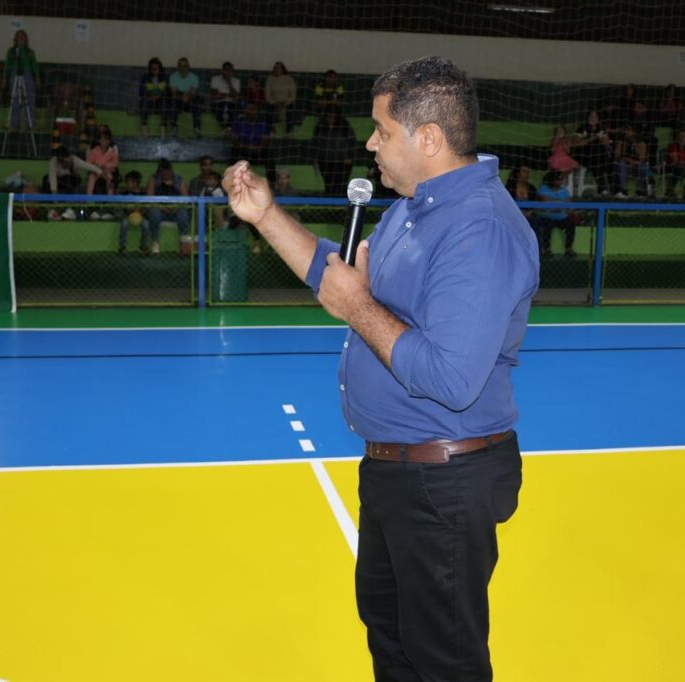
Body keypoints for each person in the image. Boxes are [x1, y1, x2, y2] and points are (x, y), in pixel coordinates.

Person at [222, 56, 539, 682]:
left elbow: (449, 378)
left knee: (443, 660)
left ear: (429, 139)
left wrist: (357, 305)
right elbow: (337, 277)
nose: (371, 143)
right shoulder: (414, 210)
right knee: (392, 643)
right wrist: (266, 217)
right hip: (399, 471)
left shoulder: (478, 229)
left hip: (444, 482)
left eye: (382, 131)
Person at [146, 158, 191, 255]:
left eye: (168, 172)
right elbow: (150, 199)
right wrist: (163, 207)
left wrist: (177, 207)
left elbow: (186, 199)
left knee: (183, 214)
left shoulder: (179, 180)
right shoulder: (154, 179)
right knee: (154, 213)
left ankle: (183, 244)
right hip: (160, 209)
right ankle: (155, 242)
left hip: (176, 209)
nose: (167, 174)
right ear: (160, 172)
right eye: (164, 172)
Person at [311, 105, 357, 196]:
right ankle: (329, 207)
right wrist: (314, 159)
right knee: (328, 186)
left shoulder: (345, 126)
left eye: (333, 117)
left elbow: (352, 142)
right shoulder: (319, 127)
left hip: (343, 162)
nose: (331, 119)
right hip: (325, 161)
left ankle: (342, 208)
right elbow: (315, 143)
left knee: (341, 187)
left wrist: (350, 156)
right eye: (329, 116)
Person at [2, 30, 40, 132]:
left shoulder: (30, 52)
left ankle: (30, 123)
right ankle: (14, 124)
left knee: (30, 99)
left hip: (27, 75)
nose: (21, 39)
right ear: (15, 39)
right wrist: (4, 79)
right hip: (14, 75)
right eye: (19, 37)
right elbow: (7, 66)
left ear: (26, 39)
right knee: (15, 99)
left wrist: (37, 78)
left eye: (23, 37)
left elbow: (34, 66)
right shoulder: (11, 51)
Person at [231, 102, 276, 184]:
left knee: (269, 155)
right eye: (248, 109)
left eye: (253, 110)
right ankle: (232, 182)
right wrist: (246, 147)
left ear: (257, 111)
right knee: (234, 154)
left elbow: (266, 140)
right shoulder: (239, 122)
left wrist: (257, 148)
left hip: (259, 151)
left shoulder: (263, 123)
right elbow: (234, 140)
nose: (250, 112)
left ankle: (272, 183)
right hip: (243, 151)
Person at [535, 170, 575, 257]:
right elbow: (544, 200)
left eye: (562, 179)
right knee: (548, 225)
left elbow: (569, 204)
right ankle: (546, 249)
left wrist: (558, 204)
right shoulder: (543, 188)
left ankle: (568, 248)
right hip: (546, 216)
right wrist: (561, 203)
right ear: (553, 180)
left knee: (571, 224)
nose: (561, 181)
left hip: (561, 217)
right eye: (559, 179)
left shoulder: (564, 191)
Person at [118, 170, 153, 254]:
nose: (127, 184)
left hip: (140, 216)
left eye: (129, 182)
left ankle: (143, 246)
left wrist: (141, 210)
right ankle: (122, 246)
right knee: (124, 224)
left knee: (146, 225)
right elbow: (125, 206)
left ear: (136, 182)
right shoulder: (125, 193)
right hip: (128, 215)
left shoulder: (143, 194)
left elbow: (146, 206)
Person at [613, 125, 653, 198]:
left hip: (636, 166)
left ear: (633, 132)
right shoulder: (621, 141)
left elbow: (642, 158)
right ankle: (623, 190)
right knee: (621, 164)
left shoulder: (641, 143)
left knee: (644, 167)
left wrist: (636, 148)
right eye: (626, 130)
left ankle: (639, 191)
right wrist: (629, 160)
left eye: (629, 131)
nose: (627, 132)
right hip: (625, 165)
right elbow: (617, 156)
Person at [168, 57, 203, 138]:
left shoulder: (194, 77)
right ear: (178, 67)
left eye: (185, 66)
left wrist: (187, 96)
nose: (183, 68)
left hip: (190, 100)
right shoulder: (173, 77)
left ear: (188, 67)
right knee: (172, 102)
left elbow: (195, 92)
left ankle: (197, 128)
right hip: (178, 101)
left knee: (198, 101)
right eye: (180, 66)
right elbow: (173, 93)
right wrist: (183, 96)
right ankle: (174, 128)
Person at [265, 61, 299, 136]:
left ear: (283, 69)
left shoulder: (289, 79)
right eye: (274, 68)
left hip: (286, 102)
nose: (275, 69)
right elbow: (267, 95)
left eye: (278, 68)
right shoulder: (270, 79)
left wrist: (286, 102)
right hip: (274, 102)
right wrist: (274, 102)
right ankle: (271, 131)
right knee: (269, 108)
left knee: (290, 108)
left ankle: (289, 131)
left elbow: (293, 95)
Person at [139, 57, 169, 138]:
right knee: (145, 103)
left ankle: (163, 130)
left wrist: (159, 96)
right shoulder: (145, 77)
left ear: (160, 69)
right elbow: (141, 91)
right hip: (149, 98)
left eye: (156, 69)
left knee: (164, 104)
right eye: (152, 69)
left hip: (160, 99)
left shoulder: (165, 77)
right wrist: (150, 96)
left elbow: (168, 91)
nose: (154, 71)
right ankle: (144, 129)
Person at [664, 128, 685, 200]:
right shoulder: (673, 146)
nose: (681, 138)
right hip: (673, 167)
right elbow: (676, 161)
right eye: (680, 136)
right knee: (678, 168)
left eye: (683, 136)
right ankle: (670, 190)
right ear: (677, 137)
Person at [210, 61, 241, 131]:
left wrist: (229, 82)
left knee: (234, 111)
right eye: (226, 70)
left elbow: (235, 96)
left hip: (232, 103)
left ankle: (227, 129)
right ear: (222, 70)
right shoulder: (215, 79)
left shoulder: (236, 81)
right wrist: (228, 95)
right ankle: (226, 129)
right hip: (218, 102)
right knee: (218, 110)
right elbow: (214, 95)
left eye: (230, 70)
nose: (228, 72)